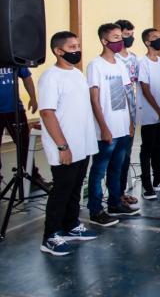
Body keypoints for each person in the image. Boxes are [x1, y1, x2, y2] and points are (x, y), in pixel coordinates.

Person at [39, 31, 98, 256]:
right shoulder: (50, 77)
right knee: (62, 190)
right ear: (58, 51)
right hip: (65, 146)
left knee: (75, 187)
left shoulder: (77, 74)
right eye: (72, 47)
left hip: (82, 144)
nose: (77, 50)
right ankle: (51, 235)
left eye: (78, 46)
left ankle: (71, 225)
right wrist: (63, 146)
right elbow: (47, 113)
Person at [86, 23, 137, 227]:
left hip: (123, 126)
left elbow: (126, 94)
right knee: (99, 170)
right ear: (104, 41)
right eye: (115, 37)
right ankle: (95, 209)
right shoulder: (95, 66)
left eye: (120, 37)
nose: (120, 41)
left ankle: (115, 203)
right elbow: (94, 99)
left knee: (117, 168)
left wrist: (131, 122)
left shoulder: (120, 65)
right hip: (107, 129)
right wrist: (104, 127)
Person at [0, 62, 50, 189]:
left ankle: (33, 177)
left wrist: (33, 98)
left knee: (24, 145)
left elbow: (27, 77)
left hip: (15, 110)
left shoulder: (13, 57)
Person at [137, 28, 160, 200]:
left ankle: (159, 178)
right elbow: (145, 89)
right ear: (147, 42)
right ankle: (146, 184)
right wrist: (159, 111)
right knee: (148, 149)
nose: (159, 40)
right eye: (155, 38)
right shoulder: (142, 62)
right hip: (150, 114)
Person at [113, 19, 139, 209]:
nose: (129, 38)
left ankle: (121, 192)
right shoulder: (113, 61)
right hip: (116, 116)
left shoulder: (133, 58)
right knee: (114, 159)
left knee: (126, 157)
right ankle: (114, 196)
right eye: (125, 35)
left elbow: (134, 85)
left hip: (131, 114)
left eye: (131, 34)